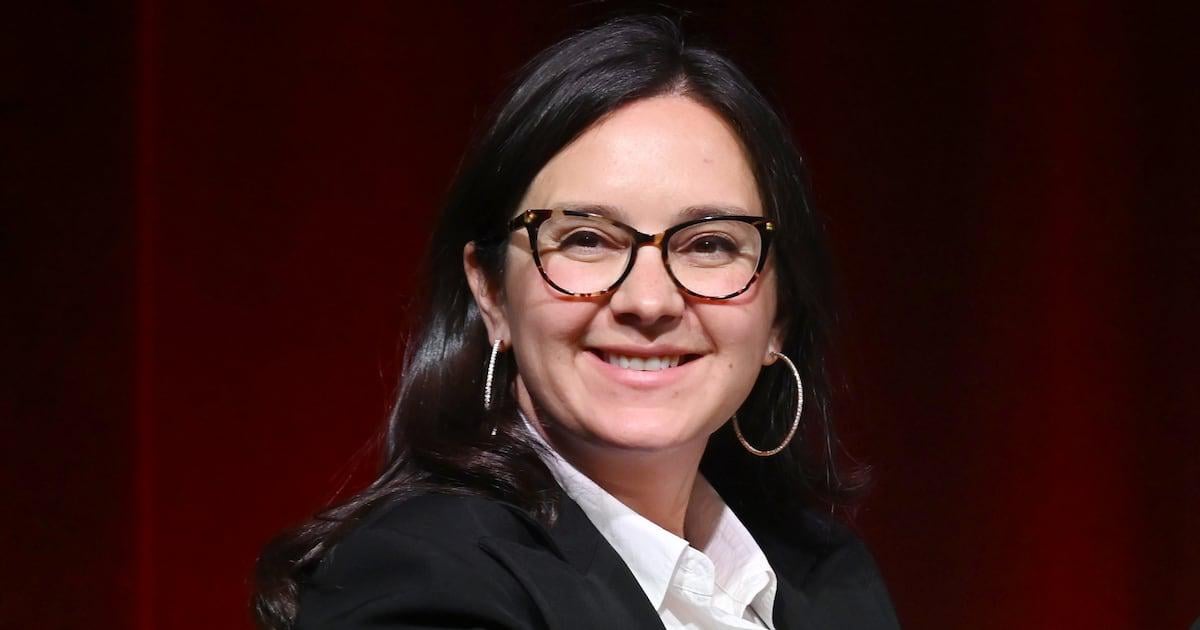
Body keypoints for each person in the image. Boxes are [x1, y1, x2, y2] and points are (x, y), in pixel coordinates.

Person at [254, 15, 899, 630]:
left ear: (779, 315)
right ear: (491, 293)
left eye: (709, 244)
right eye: (587, 238)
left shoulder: (828, 578)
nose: (650, 301)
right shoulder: (417, 581)